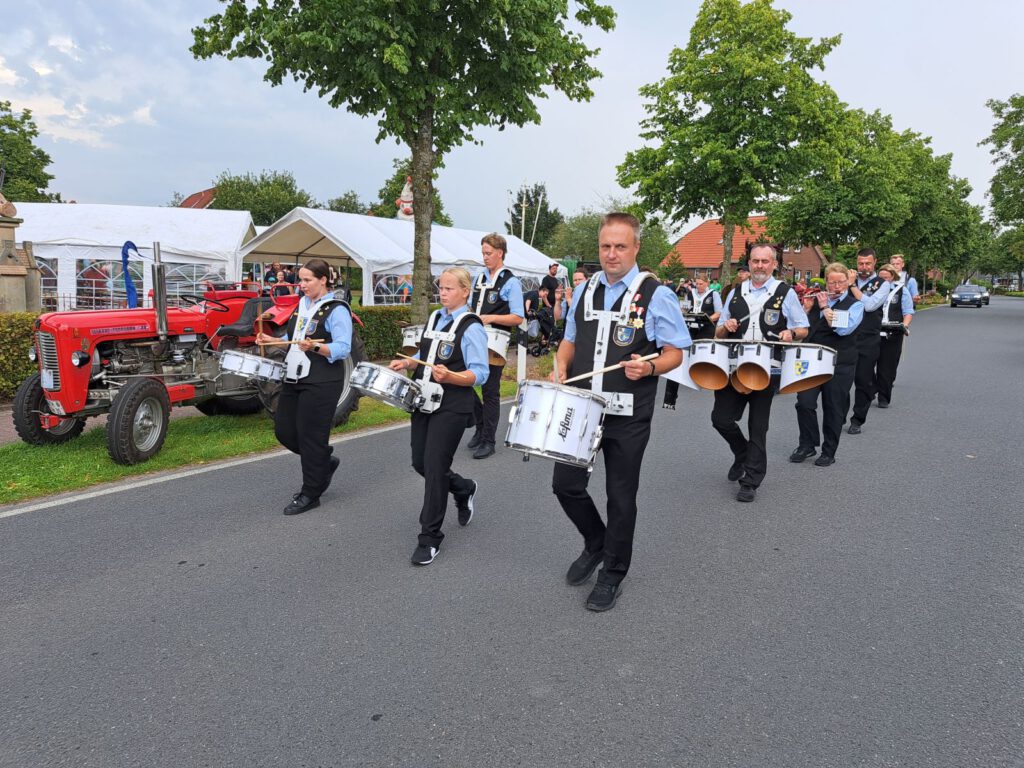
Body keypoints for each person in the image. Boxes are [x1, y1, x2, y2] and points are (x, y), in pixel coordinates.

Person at [552, 212, 689, 612]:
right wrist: (561, 366)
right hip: (581, 408)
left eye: (620, 246)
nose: (611, 254)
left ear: (636, 248)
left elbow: (676, 353)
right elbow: (570, 340)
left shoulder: (657, 294)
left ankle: (613, 573)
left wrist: (648, 366)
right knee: (565, 485)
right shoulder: (584, 289)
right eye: (605, 246)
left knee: (620, 495)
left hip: (628, 414)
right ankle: (596, 541)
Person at [388, 267, 489, 566]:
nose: (442, 293)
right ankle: (463, 488)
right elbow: (427, 357)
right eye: (440, 288)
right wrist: (408, 363)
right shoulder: (434, 318)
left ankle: (429, 538)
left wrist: (452, 377)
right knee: (420, 463)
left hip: (454, 405)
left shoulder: (472, 327)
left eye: (448, 288)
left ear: (464, 291)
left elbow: (480, 373)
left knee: (434, 468)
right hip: (424, 399)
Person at [712, 242, 809, 502]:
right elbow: (719, 332)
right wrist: (727, 326)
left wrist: (791, 333)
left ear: (774, 264)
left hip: (767, 369)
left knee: (758, 426)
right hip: (734, 368)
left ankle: (750, 481)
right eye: (755, 261)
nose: (759, 266)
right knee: (720, 419)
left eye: (765, 262)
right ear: (749, 262)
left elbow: (803, 328)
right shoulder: (735, 292)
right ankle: (741, 453)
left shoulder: (785, 292)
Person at [256, 258, 352, 515]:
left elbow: (343, 348)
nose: (302, 284)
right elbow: (294, 337)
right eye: (301, 279)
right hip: (295, 377)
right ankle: (323, 461)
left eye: (308, 280)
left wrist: (317, 347)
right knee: (285, 432)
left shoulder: (337, 309)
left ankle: (311, 492)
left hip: (322, 380)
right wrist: (273, 339)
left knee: (312, 437)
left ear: (323, 280)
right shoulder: (302, 304)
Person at [790, 263, 864, 467]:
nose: (836, 286)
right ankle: (807, 444)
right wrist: (805, 310)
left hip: (839, 363)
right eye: (832, 282)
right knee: (804, 403)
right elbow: (802, 329)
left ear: (848, 282)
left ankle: (829, 451)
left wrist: (824, 307)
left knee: (833, 408)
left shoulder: (855, 305)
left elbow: (841, 329)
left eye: (841, 282)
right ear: (826, 282)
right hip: (812, 361)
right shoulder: (815, 301)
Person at [467, 233, 525, 459]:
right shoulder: (479, 278)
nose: (484, 257)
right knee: (464, 384)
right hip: (474, 337)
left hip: (495, 342)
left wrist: (489, 318)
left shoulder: (510, 282)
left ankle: (488, 440)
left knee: (490, 391)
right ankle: (480, 426)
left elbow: (518, 317)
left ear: (500, 253)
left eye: (488, 253)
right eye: (483, 253)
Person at [846, 248, 891, 435]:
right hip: (846, 336)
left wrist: (852, 287)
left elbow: (870, 305)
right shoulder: (847, 279)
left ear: (875, 263)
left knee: (863, 380)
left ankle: (857, 419)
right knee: (842, 380)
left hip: (868, 337)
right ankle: (839, 414)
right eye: (860, 263)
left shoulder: (883, 284)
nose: (863, 267)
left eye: (867, 263)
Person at [663, 274, 722, 409]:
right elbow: (683, 308)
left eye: (701, 284)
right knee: (679, 354)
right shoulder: (690, 293)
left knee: (700, 355)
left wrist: (707, 319)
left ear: (707, 284)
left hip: (705, 328)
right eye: (697, 284)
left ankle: (700, 376)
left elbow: (719, 313)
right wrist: (683, 312)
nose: (699, 286)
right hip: (689, 327)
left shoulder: (714, 295)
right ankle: (670, 398)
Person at [874, 263, 915, 408]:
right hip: (873, 332)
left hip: (893, 332)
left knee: (887, 367)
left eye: (886, 278)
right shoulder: (871, 290)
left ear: (893, 277)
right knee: (865, 366)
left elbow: (908, 312)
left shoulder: (901, 291)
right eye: (881, 277)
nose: (883, 280)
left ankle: (883, 397)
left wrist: (905, 325)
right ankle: (872, 387)